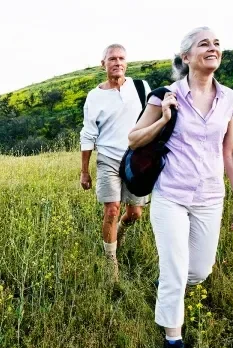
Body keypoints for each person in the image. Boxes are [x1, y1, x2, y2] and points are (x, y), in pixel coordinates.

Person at [127, 27, 233, 348]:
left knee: (199, 270)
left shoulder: (230, 99)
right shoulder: (166, 95)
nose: (213, 48)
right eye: (204, 44)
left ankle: (169, 283)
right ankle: (173, 344)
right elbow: (134, 139)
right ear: (186, 57)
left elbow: (232, 149)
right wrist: (164, 118)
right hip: (171, 196)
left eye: (217, 44)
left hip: (210, 196)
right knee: (176, 272)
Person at [80, 43, 150, 281]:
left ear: (126, 63)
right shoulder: (95, 96)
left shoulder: (141, 87)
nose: (117, 62)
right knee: (112, 209)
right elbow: (88, 134)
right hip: (108, 159)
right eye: (112, 59)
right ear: (103, 64)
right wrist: (84, 171)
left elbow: (154, 118)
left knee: (136, 213)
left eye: (121, 58)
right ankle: (111, 263)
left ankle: (120, 231)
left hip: (136, 158)